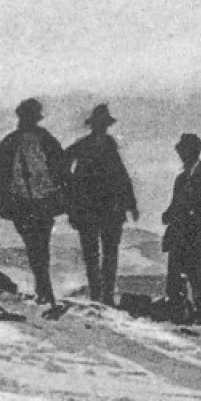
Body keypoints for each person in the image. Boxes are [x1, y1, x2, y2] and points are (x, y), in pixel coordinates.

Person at [0, 99, 67, 304]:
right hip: (23, 203)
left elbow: (61, 167)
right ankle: (44, 289)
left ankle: (44, 289)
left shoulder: (44, 140)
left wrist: (58, 193)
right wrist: (7, 197)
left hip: (43, 202)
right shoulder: (12, 142)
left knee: (40, 246)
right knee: (35, 246)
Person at [66, 104, 138, 306]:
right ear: (94, 126)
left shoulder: (110, 145)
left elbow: (122, 176)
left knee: (109, 254)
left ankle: (106, 295)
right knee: (91, 254)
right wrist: (73, 193)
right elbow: (62, 166)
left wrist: (131, 205)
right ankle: (97, 294)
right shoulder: (82, 146)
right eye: (100, 124)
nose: (103, 128)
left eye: (104, 125)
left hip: (110, 209)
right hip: (89, 208)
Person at [162, 134, 201, 324]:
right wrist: (168, 214)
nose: (181, 156)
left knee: (198, 278)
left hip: (198, 237)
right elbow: (175, 205)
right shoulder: (181, 179)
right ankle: (178, 316)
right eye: (180, 152)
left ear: (194, 152)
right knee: (174, 278)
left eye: (184, 151)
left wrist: (194, 211)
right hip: (178, 236)